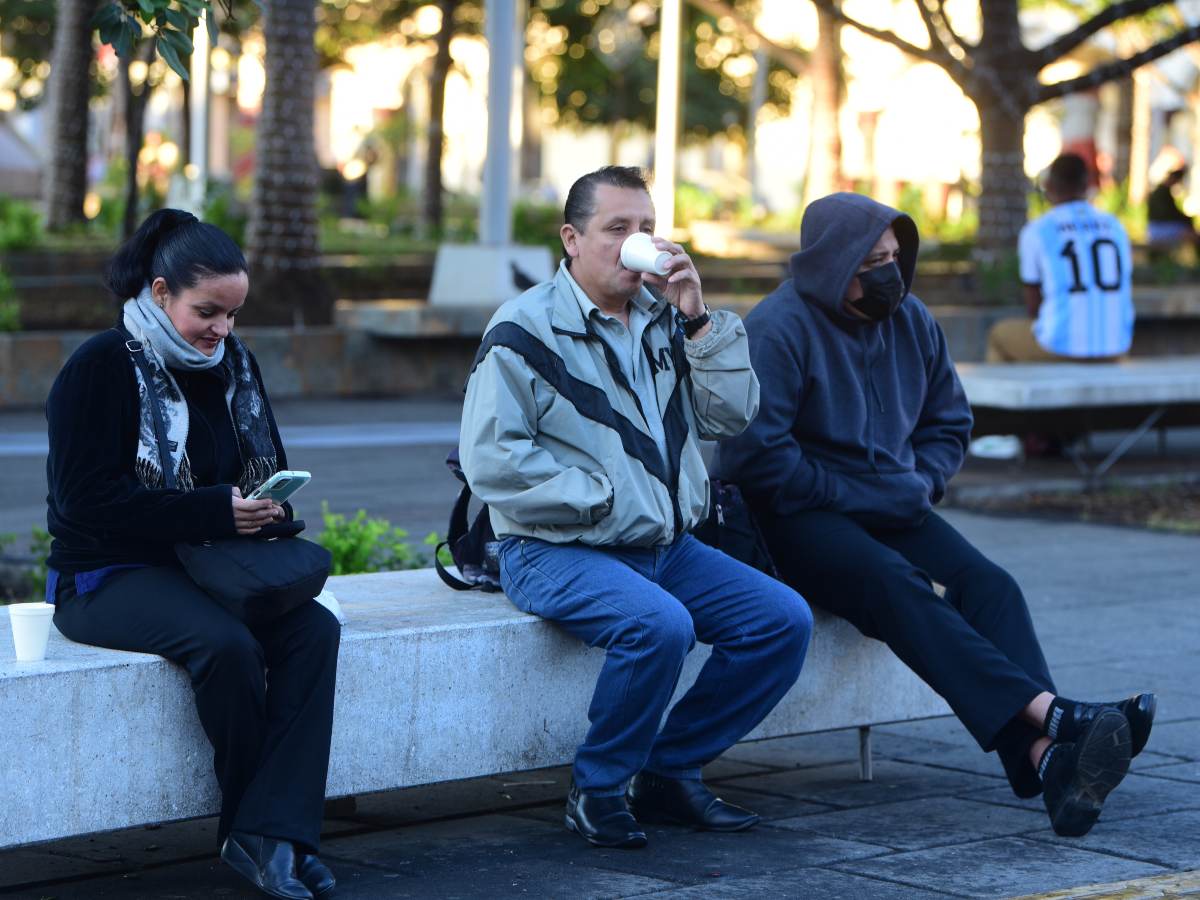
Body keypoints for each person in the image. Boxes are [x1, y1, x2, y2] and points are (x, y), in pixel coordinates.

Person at [715, 191, 1155, 838]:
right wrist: (859, 494)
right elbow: (758, 459)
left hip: (894, 500)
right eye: (872, 261)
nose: (889, 272)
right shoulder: (778, 328)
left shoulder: (912, 319)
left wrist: (921, 481)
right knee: (895, 582)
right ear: (833, 262)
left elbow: (949, 421)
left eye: (895, 256)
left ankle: (1050, 759)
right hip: (793, 516)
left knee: (991, 585)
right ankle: (1056, 717)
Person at [459, 166, 812, 849]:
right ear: (572, 239)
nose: (636, 240)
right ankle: (597, 789)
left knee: (781, 621)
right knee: (659, 626)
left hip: (663, 548)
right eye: (616, 227)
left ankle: (669, 770)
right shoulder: (525, 327)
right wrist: (605, 498)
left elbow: (731, 417)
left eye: (646, 226)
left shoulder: (666, 321)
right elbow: (492, 459)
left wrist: (700, 320)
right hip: (550, 548)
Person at [45, 209, 340, 899]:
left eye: (233, 314)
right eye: (207, 312)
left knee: (315, 630)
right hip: (104, 575)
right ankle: (256, 831)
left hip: (211, 566)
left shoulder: (235, 366)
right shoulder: (100, 366)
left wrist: (265, 508)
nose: (222, 330)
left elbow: (262, 468)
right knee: (226, 646)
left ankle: (273, 834)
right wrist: (213, 510)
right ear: (159, 292)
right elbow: (83, 504)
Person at [987, 153, 1134, 363]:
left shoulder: (1038, 230)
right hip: (1116, 346)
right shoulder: (1115, 226)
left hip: (1061, 346)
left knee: (999, 335)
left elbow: (1033, 303)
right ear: (1086, 185)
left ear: (1049, 186)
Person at [1147, 165, 1199, 255]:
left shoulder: (1164, 191)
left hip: (1161, 226)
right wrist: (1186, 220)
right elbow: (1167, 214)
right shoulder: (1161, 192)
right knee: (1193, 236)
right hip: (1159, 228)